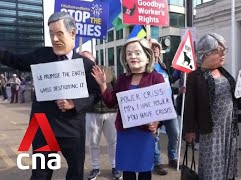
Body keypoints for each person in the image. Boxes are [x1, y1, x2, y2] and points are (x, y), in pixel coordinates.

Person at [0, 12, 100, 179]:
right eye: (51, 34)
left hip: (72, 126)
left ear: (72, 33)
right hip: (41, 126)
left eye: (59, 33)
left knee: (75, 172)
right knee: (40, 174)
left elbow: (96, 94)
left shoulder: (87, 65)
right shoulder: (40, 55)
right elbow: (14, 59)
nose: (54, 39)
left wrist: (75, 103)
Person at [91, 37, 163, 180]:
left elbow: (164, 107)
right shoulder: (123, 79)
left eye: (137, 52)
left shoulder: (157, 78)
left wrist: (157, 122)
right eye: (129, 54)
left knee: (144, 171)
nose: (132, 56)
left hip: (145, 133)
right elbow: (111, 102)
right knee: (128, 171)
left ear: (147, 56)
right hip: (125, 133)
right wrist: (103, 84)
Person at [183, 33, 241, 180]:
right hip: (211, 130)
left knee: (228, 164)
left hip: (229, 128)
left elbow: (233, 96)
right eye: (219, 51)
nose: (223, 54)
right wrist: (189, 130)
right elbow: (190, 105)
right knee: (212, 164)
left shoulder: (225, 72)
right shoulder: (195, 76)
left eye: (224, 50)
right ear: (205, 53)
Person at [80, 51, 122, 180]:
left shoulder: (107, 70)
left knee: (113, 141)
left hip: (110, 112)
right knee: (93, 142)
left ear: (94, 60)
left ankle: (115, 167)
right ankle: (95, 167)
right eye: (82, 59)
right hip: (92, 112)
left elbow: (117, 88)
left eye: (87, 59)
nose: (85, 62)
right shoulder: (78, 75)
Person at [150, 39, 180, 175]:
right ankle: (157, 162)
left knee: (175, 133)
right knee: (154, 136)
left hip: (169, 107)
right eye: (152, 47)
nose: (155, 49)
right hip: (154, 108)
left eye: (156, 47)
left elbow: (167, 86)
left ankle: (172, 157)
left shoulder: (163, 66)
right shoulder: (146, 68)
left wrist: (179, 90)